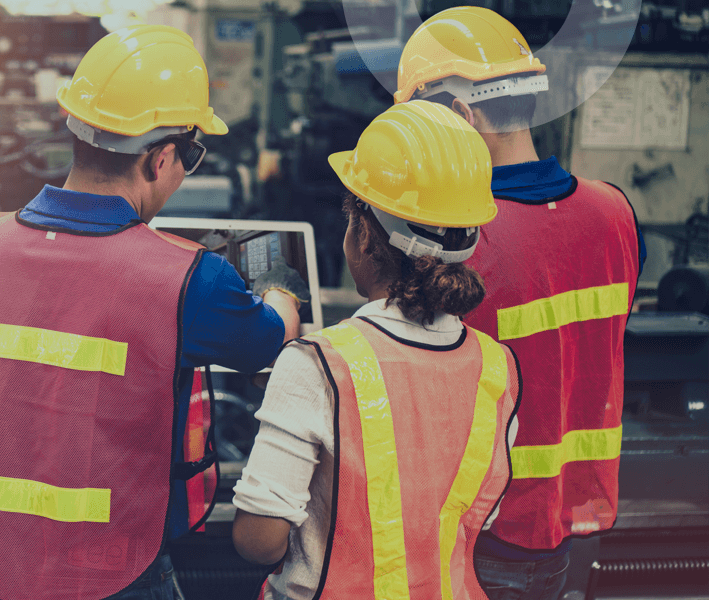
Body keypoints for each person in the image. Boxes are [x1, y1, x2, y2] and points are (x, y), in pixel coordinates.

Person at [0, 25, 310, 600]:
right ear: (161, 156)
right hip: (118, 569)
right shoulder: (188, 277)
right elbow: (266, 342)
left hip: (6, 563)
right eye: (189, 157)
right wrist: (282, 292)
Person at [396, 8, 643, 598]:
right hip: (572, 519)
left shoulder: (460, 238)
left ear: (460, 114)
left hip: (480, 528)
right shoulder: (615, 213)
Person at [232, 100, 522, 600]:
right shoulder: (498, 369)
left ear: (363, 234)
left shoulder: (318, 365)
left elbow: (258, 542)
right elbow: (478, 515)